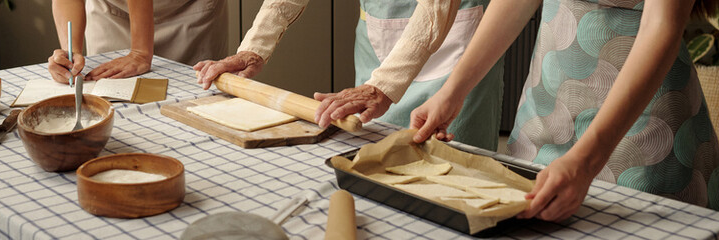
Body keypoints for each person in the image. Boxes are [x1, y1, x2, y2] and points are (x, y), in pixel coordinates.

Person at [410, 0, 719, 222]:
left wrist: (586, 160)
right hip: (547, 108)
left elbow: (661, 25)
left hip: (641, 121)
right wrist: (452, 92)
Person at [194, 0, 506, 151]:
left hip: (456, 52)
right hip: (378, 41)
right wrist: (255, 46)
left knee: (451, 171)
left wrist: (383, 86)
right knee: (376, 167)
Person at [47, 0, 227, 83]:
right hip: (111, 9)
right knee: (106, 94)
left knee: (194, 98)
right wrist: (71, 53)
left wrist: (140, 52)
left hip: (185, 9)